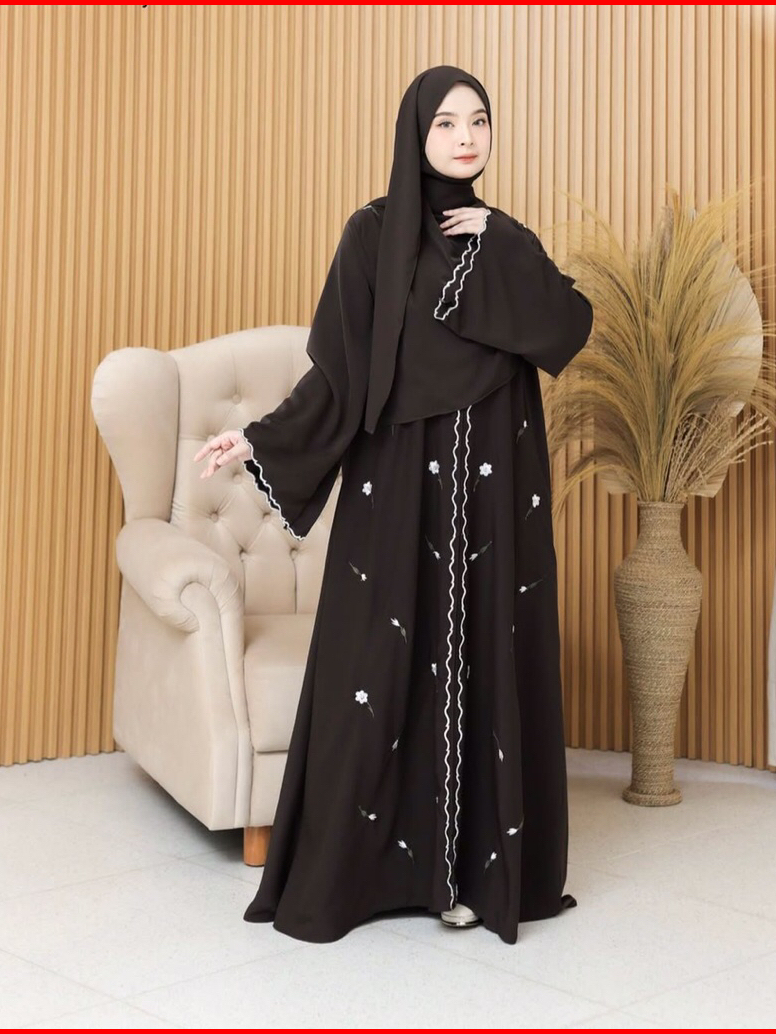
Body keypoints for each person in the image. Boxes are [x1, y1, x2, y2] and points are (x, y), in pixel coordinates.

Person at [194, 65, 594, 945]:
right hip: (401, 483)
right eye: (446, 121)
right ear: (415, 132)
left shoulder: (502, 239)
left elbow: (569, 324)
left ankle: (475, 876)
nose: (465, 136)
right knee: (378, 668)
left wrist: (505, 240)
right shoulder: (372, 235)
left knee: (484, 658)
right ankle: (373, 873)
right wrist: (259, 439)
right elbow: (340, 374)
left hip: (494, 484)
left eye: (478, 120)